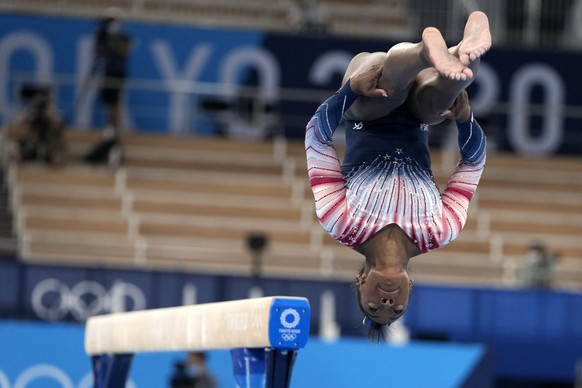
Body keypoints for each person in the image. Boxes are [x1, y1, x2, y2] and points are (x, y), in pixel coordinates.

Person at [305, 11, 490, 339]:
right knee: (441, 97)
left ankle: (424, 51)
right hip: (420, 118)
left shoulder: (340, 222)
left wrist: (347, 91)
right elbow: (473, 163)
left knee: (382, 80)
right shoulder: (440, 230)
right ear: (411, 290)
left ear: (360, 283)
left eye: (374, 307)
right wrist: (465, 120)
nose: (387, 302)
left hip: (364, 108)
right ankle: (463, 56)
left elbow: (317, 137)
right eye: (397, 308)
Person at [85, 14, 131, 165]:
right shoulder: (102, 37)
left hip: (117, 75)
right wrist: (104, 39)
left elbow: (126, 50)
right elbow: (95, 51)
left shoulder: (122, 38)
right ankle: (108, 128)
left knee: (114, 104)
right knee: (108, 104)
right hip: (107, 73)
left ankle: (113, 129)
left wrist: (114, 38)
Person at [6, 86, 66, 166]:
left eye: (43, 101)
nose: (40, 105)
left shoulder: (52, 114)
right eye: (38, 101)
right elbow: (18, 126)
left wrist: (49, 114)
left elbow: (59, 125)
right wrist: (31, 110)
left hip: (47, 147)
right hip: (30, 146)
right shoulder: (28, 112)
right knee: (15, 151)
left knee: (57, 155)